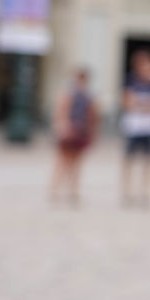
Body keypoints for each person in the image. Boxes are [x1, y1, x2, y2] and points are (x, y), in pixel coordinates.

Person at [120, 49, 150, 208]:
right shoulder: (131, 80)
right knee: (129, 159)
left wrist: (142, 105)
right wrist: (147, 105)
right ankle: (127, 191)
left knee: (148, 160)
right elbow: (127, 101)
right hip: (134, 126)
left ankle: (145, 191)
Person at [49, 67, 98, 205]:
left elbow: (92, 115)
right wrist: (62, 127)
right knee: (64, 161)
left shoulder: (86, 95)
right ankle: (56, 188)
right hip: (72, 129)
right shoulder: (70, 94)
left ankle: (71, 190)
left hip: (80, 130)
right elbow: (61, 111)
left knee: (76, 162)